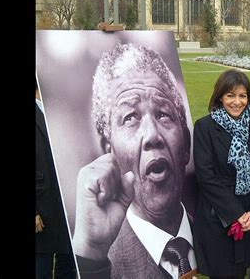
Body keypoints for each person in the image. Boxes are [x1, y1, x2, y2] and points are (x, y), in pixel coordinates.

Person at [71, 43, 196, 279]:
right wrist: (90, 254)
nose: (152, 135)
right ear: (108, 153)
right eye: (130, 118)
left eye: (163, 114)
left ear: (186, 146)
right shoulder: (100, 264)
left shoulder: (210, 236)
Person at [192, 69, 250, 279]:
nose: (237, 102)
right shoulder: (205, 127)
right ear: (220, 96)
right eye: (230, 95)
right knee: (223, 272)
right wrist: (235, 214)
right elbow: (206, 176)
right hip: (219, 215)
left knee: (242, 271)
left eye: (242, 95)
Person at [36, 76, 77, 279]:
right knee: (41, 268)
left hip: (66, 207)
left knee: (68, 265)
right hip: (42, 210)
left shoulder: (60, 113)